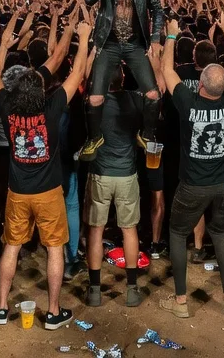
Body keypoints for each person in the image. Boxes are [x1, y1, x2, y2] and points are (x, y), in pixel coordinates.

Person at [0, 22, 92, 330]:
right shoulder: (52, 107)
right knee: (54, 249)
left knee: (11, 247)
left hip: (18, 191)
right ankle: (52, 312)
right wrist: (84, 39)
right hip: (48, 192)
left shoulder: (7, 108)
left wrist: (0, 44)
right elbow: (77, 74)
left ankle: (1, 308)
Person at [157, 10, 224, 319]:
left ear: (200, 84)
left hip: (193, 185)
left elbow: (166, 69)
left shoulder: (188, 102)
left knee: (178, 233)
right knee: (219, 233)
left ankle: (181, 301)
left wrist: (171, 34)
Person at [79, 0, 164, 159]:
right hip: (109, 43)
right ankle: (94, 137)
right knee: (95, 98)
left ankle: (147, 135)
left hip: (134, 43)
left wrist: (155, 37)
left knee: (153, 95)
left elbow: (157, 9)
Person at [84, 59, 145, 309]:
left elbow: (84, 77)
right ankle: (131, 289)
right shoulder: (134, 100)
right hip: (126, 174)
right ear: (123, 78)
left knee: (96, 230)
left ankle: (95, 290)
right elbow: (156, 89)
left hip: (100, 174)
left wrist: (93, 56)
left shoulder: (93, 103)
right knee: (129, 230)